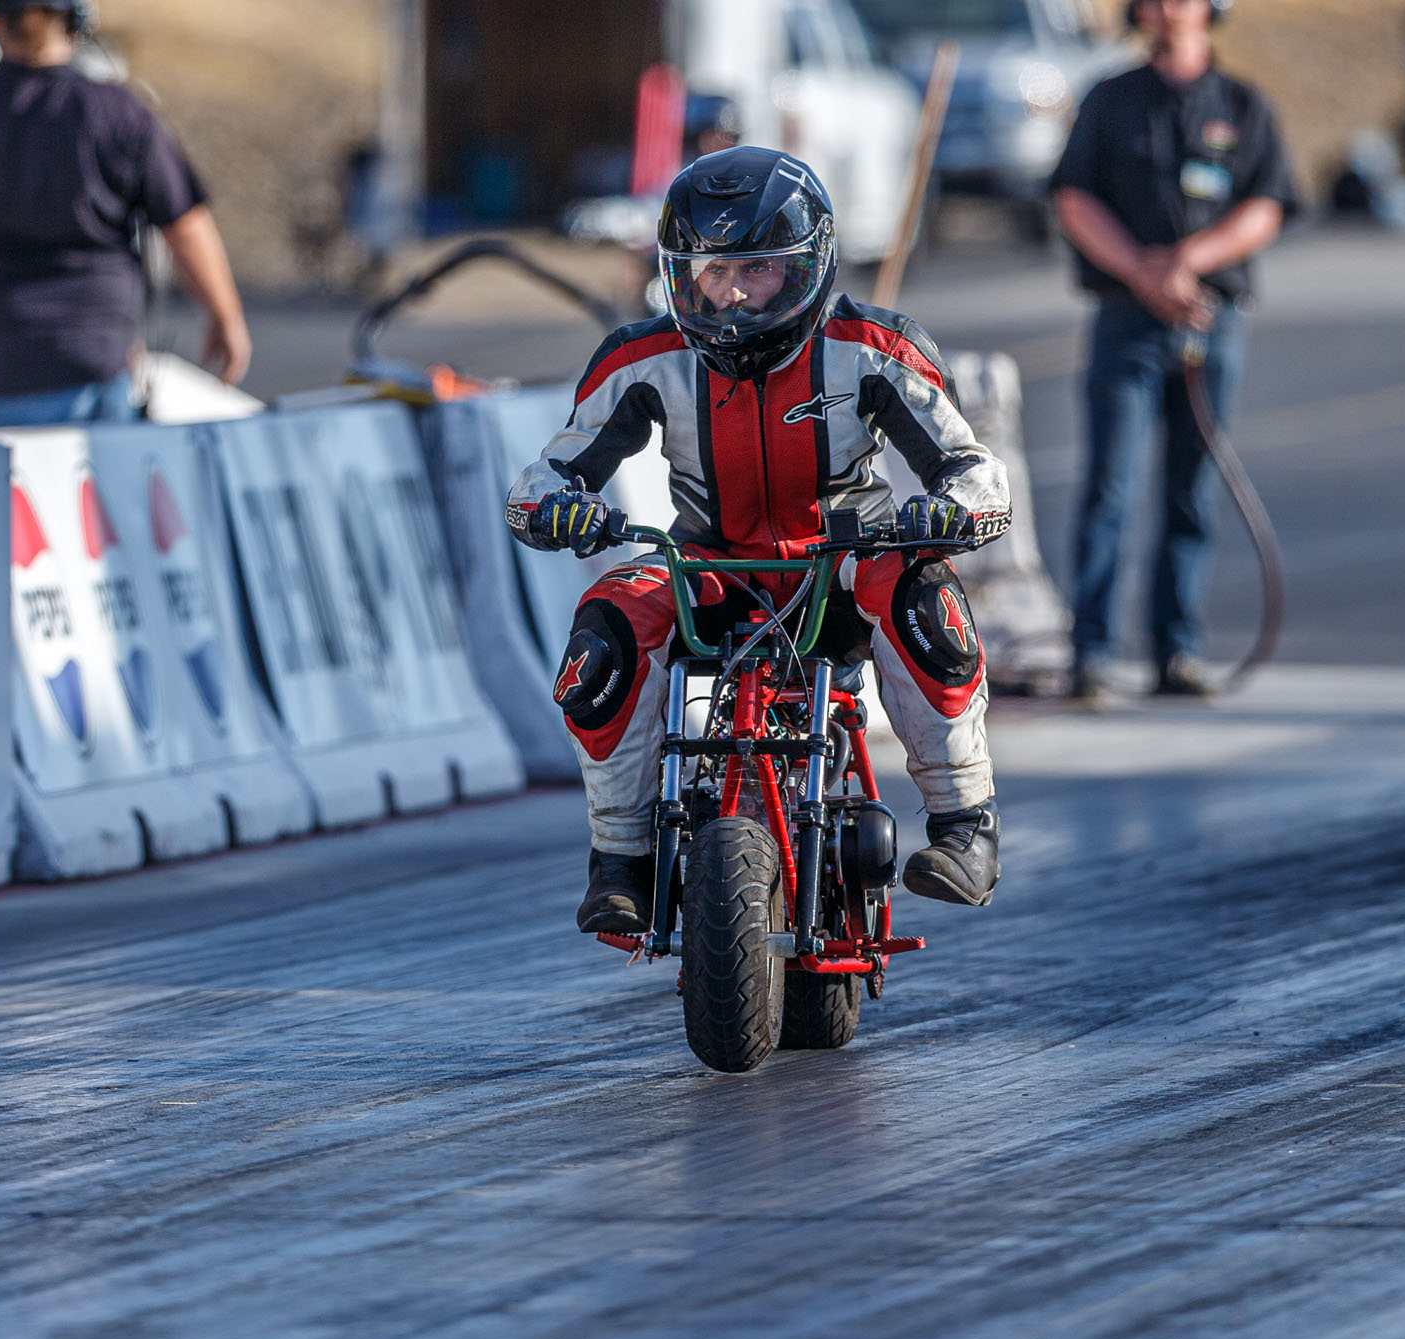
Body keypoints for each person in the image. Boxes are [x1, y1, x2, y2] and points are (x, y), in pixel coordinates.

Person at [506, 147, 1012, 932]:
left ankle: (963, 824)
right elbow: (542, 478)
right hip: (707, 569)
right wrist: (559, 509)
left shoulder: (877, 347)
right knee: (605, 621)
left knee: (922, 594)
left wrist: (950, 511)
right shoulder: (642, 357)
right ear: (678, 275)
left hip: (842, 568)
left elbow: (976, 471)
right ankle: (621, 859)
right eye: (712, 273)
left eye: (759, 270)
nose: (734, 295)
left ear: (809, 266)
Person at [1049, 0, 1295, 703]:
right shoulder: (1110, 99)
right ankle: (1091, 652)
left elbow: (1266, 205)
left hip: (1210, 322)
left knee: (1191, 492)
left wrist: (1187, 261)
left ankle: (1175, 649)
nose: (1168, 9)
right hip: (1127, 320)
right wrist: (1142, 272)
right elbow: (1073, 198)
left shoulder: (1242, 105)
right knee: (1109, 489)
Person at [0, 1, 251, 432]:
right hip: (86, 367)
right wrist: (225, 315)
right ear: (75, 23)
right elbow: (183, 225)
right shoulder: (116, 111)